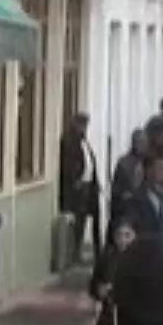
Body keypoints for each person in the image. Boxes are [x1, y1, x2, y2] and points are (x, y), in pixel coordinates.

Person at [59, 112, 102, 262]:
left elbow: (89, 161)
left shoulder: (84, 141)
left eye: (86, 125)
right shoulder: (69, 141)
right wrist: (75, 180)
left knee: (93, 216)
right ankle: (75, 251)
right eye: (82, 125)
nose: (84, 128)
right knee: (79, 218)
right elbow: (68, 164)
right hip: (79, 186)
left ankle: (97, 249)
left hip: (89, 185)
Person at [89, 217, 137, 325]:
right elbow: (93, 285)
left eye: (127, 235)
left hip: (132, 318)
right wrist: (100, 290)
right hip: (109, 315)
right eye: (119, 235)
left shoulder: (141, 260)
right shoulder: (107, 258)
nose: (123, 240)